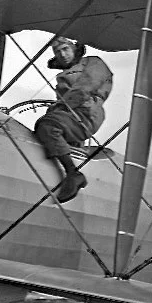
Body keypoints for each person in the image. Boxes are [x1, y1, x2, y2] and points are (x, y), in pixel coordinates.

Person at [34, 37, 113, 203]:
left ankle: (73, 173)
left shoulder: (93, 63)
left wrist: (58, 108)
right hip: (71, 115)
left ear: (74, 48)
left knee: (47, 125)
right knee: (45, 128)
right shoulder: (62, 76)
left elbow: (84, 88)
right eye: (57, 51)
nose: (62, 54)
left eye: (65, 49)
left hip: (87, 113)